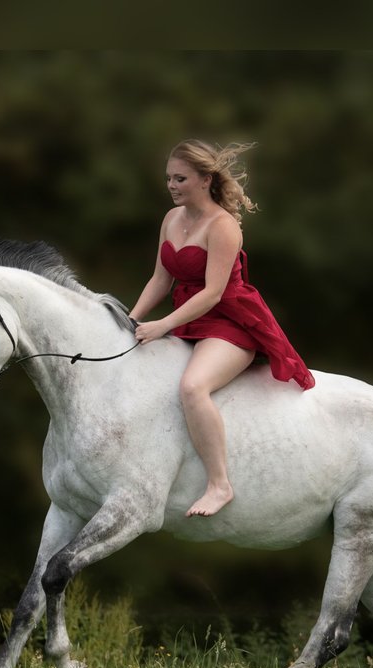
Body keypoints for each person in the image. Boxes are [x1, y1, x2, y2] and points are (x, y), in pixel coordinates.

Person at [130, 139, 315, 518]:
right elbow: (160, 281)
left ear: (204, 180)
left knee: (193, 387)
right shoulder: (171, 218)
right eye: (168, 178)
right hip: (188, 319)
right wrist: (131, 320)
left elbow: (214, 293)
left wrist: (162, 325)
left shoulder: (223, 226)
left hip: (229, 323)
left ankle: (219, 484)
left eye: (180, 178)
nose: (171, 185)